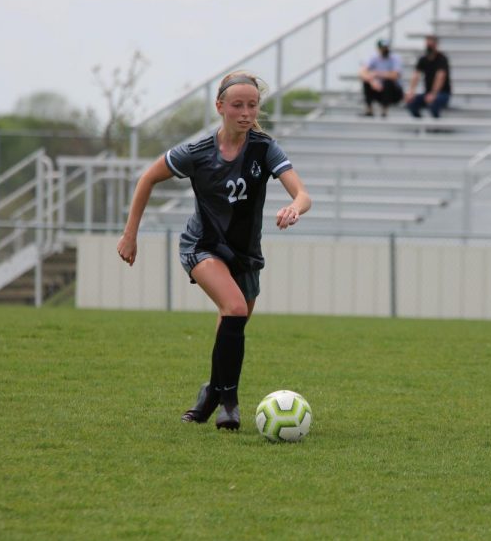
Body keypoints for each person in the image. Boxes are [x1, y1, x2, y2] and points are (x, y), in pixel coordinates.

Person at [116, 71, 311, 430]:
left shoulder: (264, 148)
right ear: (220, 106)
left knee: (231, 324)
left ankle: (210, 393)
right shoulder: (197, 152)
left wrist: (294, 207)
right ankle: (230, 403)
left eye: (252, 105)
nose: (246, 112)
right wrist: (130, 235)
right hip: (202, 246)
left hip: (245, 255)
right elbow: (147, 178)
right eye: (237, 105)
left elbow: (302, 193)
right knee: (234, 309)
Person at [404, 35, 452, 118]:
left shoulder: (442, 59)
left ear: (436, 45)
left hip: (442, 93)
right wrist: (411, 92)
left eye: (430, 44)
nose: (428, 46)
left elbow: (440, 77)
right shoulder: (423, 59)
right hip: (428, 93)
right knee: (411, 103)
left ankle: (436, 128)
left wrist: (433, 94)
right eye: (427, 44)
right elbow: (416, 75)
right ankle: (420, 126)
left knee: (434, 104)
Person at [358, 38, 403, 117]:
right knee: (366, 81)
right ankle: (369, 110)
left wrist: (377, 74)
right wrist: (372, 82)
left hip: (394, 92)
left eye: (386, 47)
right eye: (383, 48)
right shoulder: (374, 58)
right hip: (379, 90)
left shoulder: (395, 58)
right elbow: (362, 72)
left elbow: (395, 75)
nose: (385, 50)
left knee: (388, 82)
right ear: (378, 49)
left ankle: (384, 110)